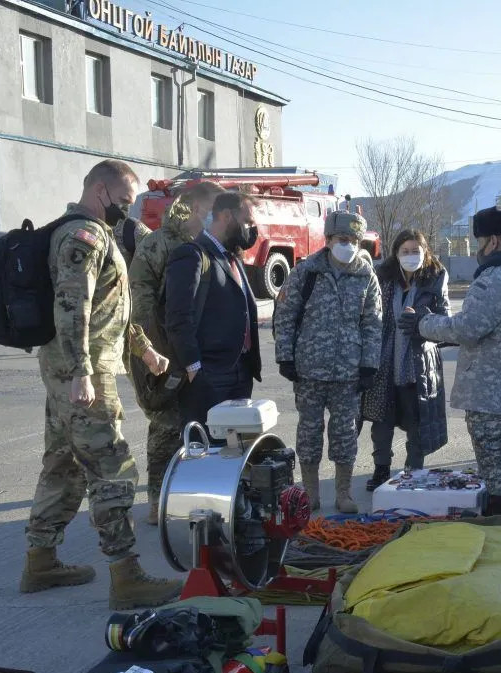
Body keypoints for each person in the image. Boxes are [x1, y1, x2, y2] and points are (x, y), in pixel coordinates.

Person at [21, 159, 182, 610]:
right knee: (113, 469)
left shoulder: (97, 234)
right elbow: (73, 307)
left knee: (63, 464)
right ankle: (126, 575)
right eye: (125, 202)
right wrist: (81, 372)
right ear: (100, 192)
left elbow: (112, 305)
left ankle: (41, 559)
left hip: (73, 372)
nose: (127, 213)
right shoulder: (83, 237)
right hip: (83, 375)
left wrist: (144, 349)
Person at [402, 207, 501, 515]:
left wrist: (423, 325)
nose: (477, 246)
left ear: (492, 241)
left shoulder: (493, 280)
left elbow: (467, 328)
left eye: (478, 240)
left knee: (496, 470)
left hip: (490, 397)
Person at [273, 211, 382, 514]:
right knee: (308, 431)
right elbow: (286, 316)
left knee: (345, 432)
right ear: (329, 240)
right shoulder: (306, 272)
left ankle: (344, 492)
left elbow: (373, 324)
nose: (347, 245)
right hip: (309, 370)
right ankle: (310, 492)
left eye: (353, 241)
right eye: (342, 240)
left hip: (349, 372)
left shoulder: (366, 276)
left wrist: (369, 364)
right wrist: (285, 355)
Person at [128, 181, 222, 524]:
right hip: (163, 352)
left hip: (192, 349)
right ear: (197, 209)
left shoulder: (200, 245)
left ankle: (185, 493)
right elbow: (141, 308)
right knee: (166, 426)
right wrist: (155, 354)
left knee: (194, 423)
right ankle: (157, 500)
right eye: (213, 210)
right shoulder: (158, 245)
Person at [165, 192, 262, 435]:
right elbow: (178, 318)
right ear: (227, 216)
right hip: (210, 375)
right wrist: (194, 367)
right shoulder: (192, 255)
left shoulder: (232, 256)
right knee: (207, 453)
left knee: (236, 450)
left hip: (240, 372)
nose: (251, 229)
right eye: (247, 221)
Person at [362, 229, 450, 491]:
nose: (411, 256)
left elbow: (445, 319)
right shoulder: (383, 277)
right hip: (386, 358)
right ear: (396, 254)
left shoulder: (435, 276)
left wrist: (421, 318)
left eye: (415, 251)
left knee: (417, 421)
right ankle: (381, 470)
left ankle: (414, 471)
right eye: (405, 251)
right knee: (382, 420)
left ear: (425, 252)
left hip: (418, 361)